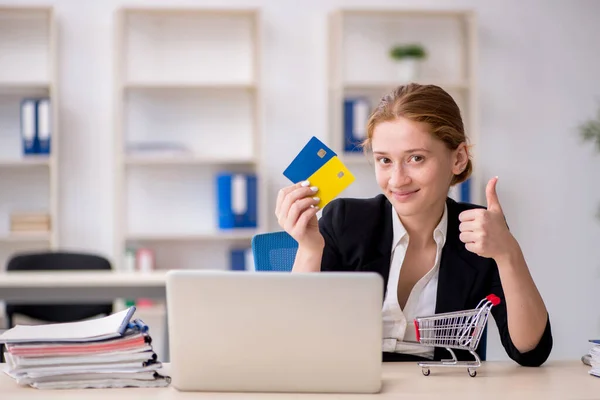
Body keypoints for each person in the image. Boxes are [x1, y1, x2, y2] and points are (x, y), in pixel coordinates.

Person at [275, 83, 552, 366]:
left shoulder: (479, 231)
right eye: (384, 160)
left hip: (441, 390)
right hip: (355, 386)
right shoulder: (345, 220)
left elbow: (530, 351)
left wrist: (508, 254)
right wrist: (309, 249)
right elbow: (295, 340)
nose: (397, 179)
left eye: (415, 158)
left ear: (457, 158)